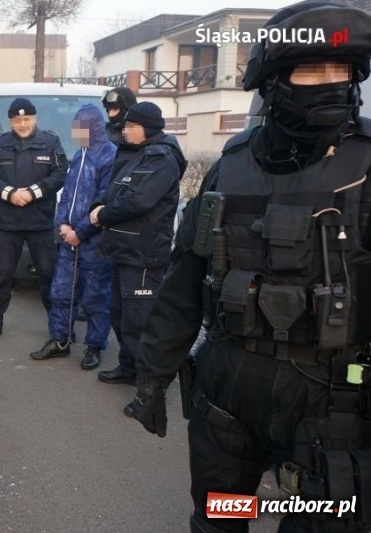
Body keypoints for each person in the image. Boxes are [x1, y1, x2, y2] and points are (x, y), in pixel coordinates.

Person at [129, 4, 371, 532]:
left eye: (343, 71)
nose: (331, 84)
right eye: (312, 70)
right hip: (228, 390)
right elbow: (184, 284)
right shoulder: (231, 165)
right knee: (222, 514)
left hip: (334, 402)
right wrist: (153, 373)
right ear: (273, 77)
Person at [90, 101, 185, 386]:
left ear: (147, 128)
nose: (125, 132)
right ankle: (128, 368)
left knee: (140, 323)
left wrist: (103, 214)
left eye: (131, 127)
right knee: (120, 316)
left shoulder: (160, 158)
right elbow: (115, 189)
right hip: (124, 250)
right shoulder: (135, 153)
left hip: (144, 254)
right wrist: (98, 204)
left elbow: (138, 200)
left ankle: (149, 386)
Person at [0, 97, 68, 343]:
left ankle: (59, 328)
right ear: (10, 121)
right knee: (2, 275)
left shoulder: (50, 142)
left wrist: (34, 191)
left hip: (40, 223)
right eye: (17, 120)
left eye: (27, 119)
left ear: (35, 119)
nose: (23, 124)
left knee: (48, 275)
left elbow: (60, 174)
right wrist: (10, 194)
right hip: (9, 224)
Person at [30, 104, 115, 370]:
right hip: (70, 240)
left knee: (95, 297)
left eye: (82, 127)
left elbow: (106, 202)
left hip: (96, 242)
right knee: (61, 292)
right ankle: (60, 340)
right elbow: (67, 195)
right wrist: (63, 224)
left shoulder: (110, 157)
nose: (77, 132)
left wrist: (80, 232)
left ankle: (94, 346)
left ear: (95, 128)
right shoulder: (79, 156)